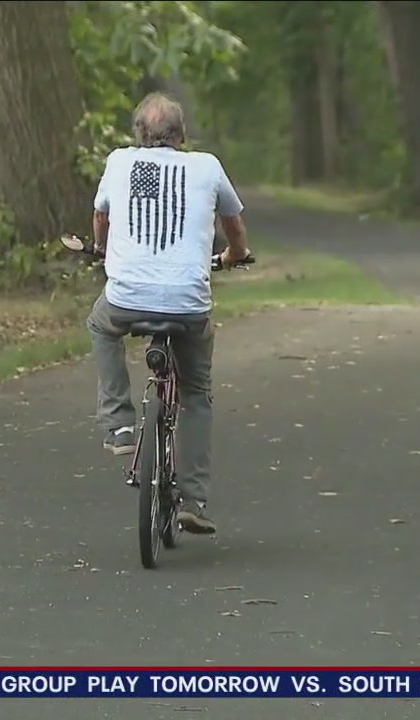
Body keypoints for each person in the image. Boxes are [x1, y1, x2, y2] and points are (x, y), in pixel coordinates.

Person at [86, 93, 252, 535]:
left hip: (126, 298)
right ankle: (193, 500)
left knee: (102, 325)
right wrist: (235, 255)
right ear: (181, 135)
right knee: (196, 391)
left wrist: (102, 250)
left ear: (138, 135)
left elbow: (101, 216)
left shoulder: (121, 163)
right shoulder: (207, 166)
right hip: (188, 304)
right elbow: (233, 224)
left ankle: (119, 426)